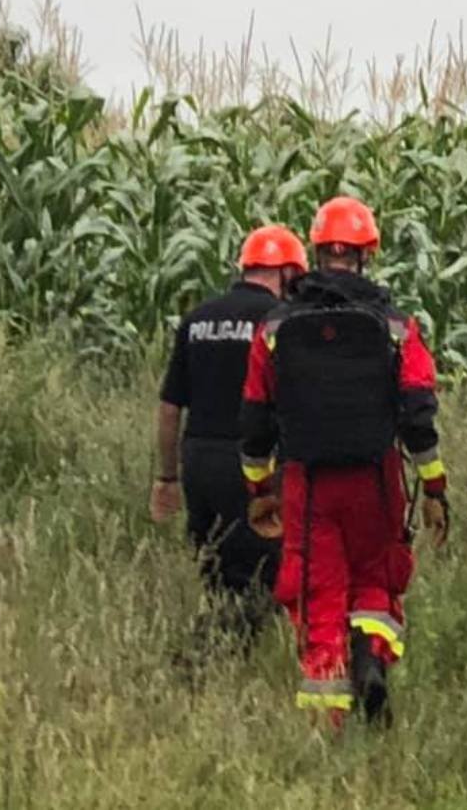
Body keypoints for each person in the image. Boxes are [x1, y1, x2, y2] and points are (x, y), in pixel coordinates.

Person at [240, 195, 449, 726]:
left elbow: (255, 417)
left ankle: (330, 729)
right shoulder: (396, 326)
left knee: (320, 592)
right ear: (366, 256)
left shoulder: (276, 326)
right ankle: (371, 658)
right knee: (377, 579)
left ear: (315, 252)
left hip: (306, 482)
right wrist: (434, 487)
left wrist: (259, 488)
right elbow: (418, 410)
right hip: (375, 480)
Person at [151, 225, 308, 641]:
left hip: (199, 459)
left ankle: (213, 656)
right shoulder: (281, 323)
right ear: (288, 273)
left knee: (213, 567)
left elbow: (169, 408)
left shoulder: (197, 319)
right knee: (263, 572)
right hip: (254, 463)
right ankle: (216, 655)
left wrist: (167, 478)